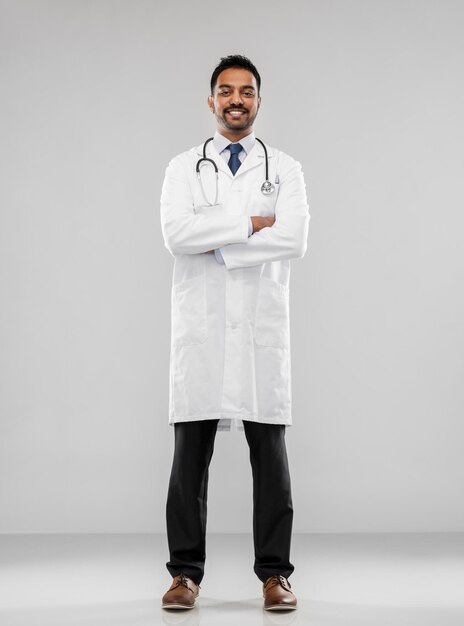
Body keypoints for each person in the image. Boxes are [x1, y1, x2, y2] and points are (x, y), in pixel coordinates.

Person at [159, 54, 310, 611]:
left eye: (246, 91)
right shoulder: (183, 167)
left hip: (258, 330)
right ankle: (184, 575)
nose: (236, 100)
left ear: (259, 101)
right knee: (188, 461)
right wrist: (248, 225)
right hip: (200, 331)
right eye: (226, 91)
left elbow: (293, 239)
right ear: (212, 101)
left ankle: (275, 576)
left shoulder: (284, 169)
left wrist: (214, 241)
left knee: (270, 458)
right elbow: (176, 233)